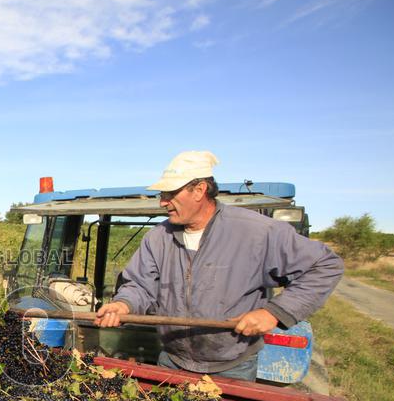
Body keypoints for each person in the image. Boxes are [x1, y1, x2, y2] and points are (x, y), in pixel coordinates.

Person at [94, 151, 343, 381]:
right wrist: (123, 304)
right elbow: (140, 284)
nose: (162, 202)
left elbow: (325, 265)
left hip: (233, 367)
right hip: (171, 359)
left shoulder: (255, 232)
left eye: (169, 194)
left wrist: (273, 313)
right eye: (162, 195)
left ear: (199, 190)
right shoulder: (158, 237)